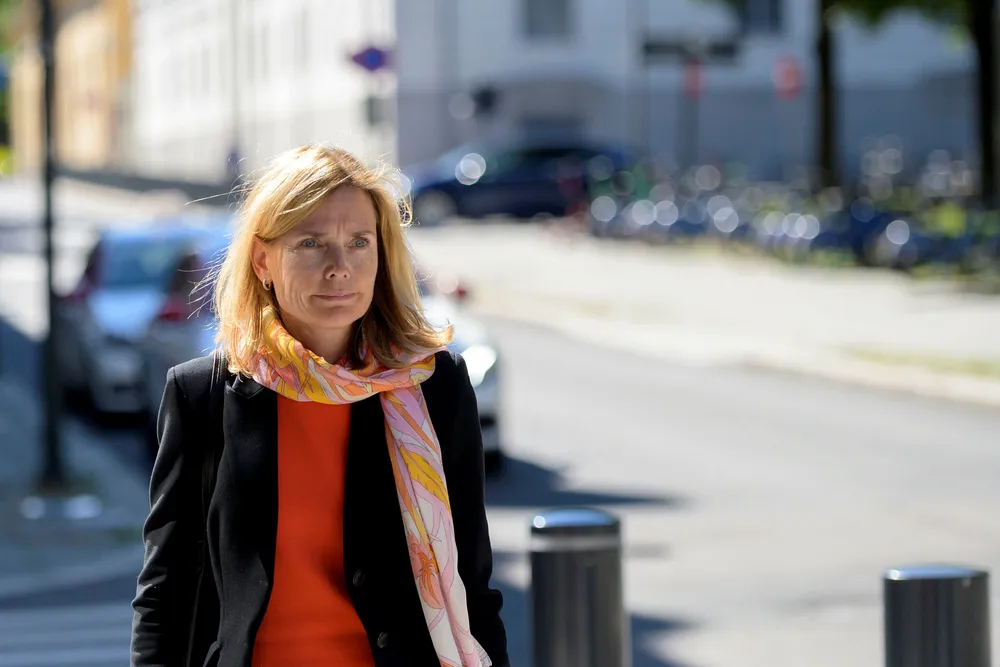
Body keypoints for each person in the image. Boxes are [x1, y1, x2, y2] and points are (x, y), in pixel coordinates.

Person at [130, 145, 508, 667]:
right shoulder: (202, 394)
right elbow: (165, 589)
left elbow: (473, 581)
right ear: (262, 260)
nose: (339, 268)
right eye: (310, 243)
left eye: (359, 243)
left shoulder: (433, 386)